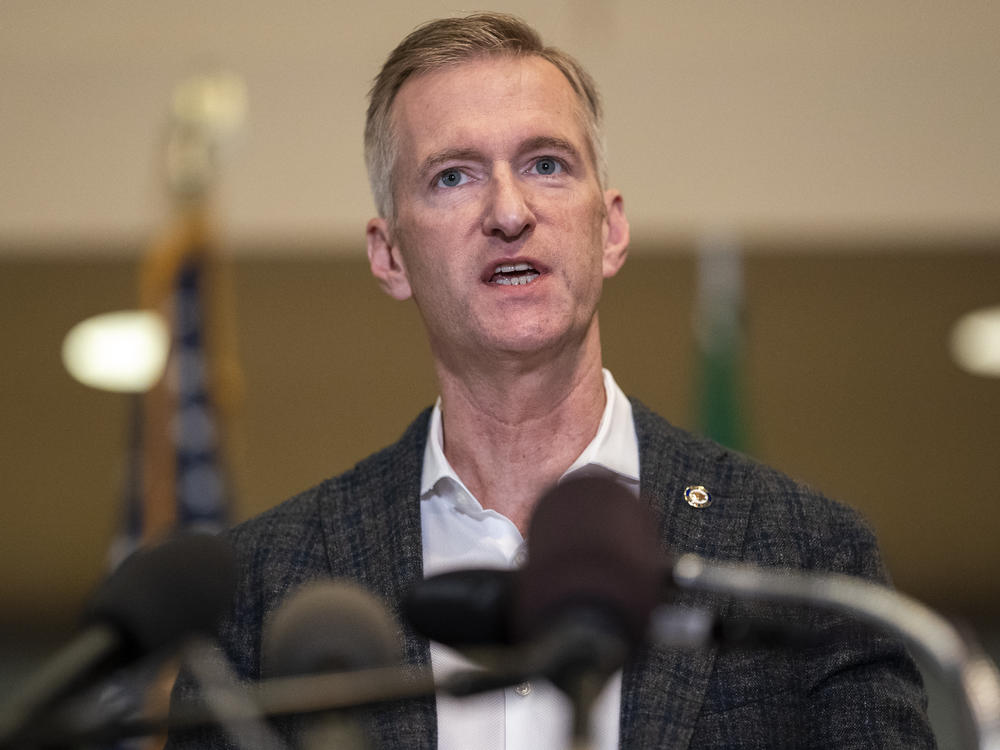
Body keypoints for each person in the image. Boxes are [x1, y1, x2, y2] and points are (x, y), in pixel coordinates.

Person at [168, 12, 935, 749]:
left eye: (546, 164)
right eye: (453, 176)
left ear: (612, 228)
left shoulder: (804, 558)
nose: (509, 211)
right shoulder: (266, 590)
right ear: (389, 255)